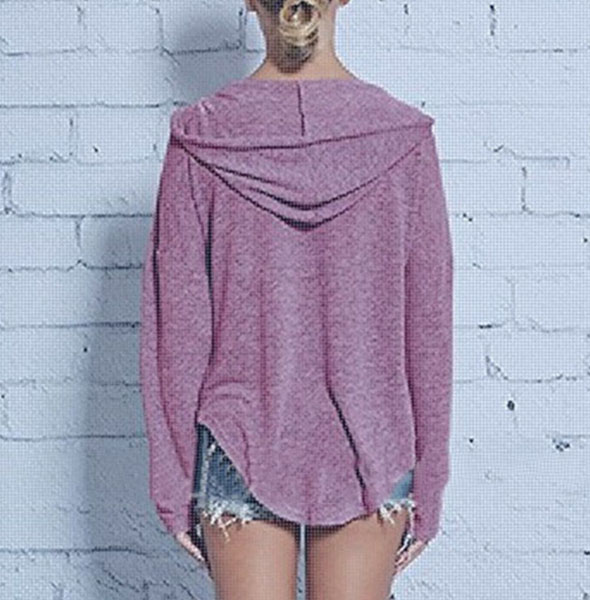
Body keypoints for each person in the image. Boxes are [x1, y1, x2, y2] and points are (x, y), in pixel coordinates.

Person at [138, 0, 454, 598]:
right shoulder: (404, 141)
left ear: (250, 3)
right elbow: (429, 328)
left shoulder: (199, 140)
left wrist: (174, 482)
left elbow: (177, 334)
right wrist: (430, 480)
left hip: (240, 438)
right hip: (374, 440)